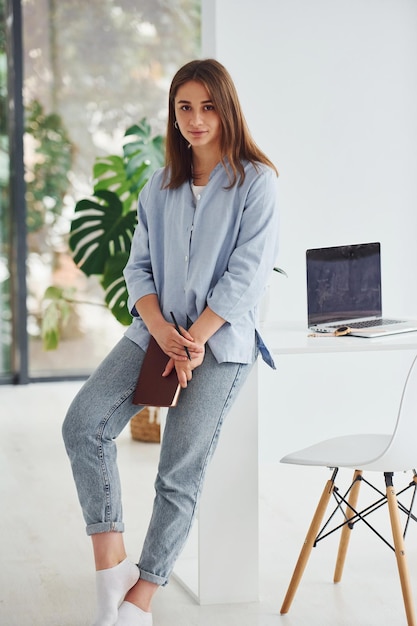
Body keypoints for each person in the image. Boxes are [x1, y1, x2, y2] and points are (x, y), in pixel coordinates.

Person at [62, 58, 279, 626]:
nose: (196, 119)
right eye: (185, 107)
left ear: (226, 108)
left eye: (208, 106)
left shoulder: (257, 182)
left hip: (222, 343)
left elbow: (247, 275)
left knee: (179, 471)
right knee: (84, 424)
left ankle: (141, 599)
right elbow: (138, 270)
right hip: (155, 332)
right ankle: (113, 570)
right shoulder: (158, 187)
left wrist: (195, 341)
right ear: (172, 114)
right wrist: (164, 333)